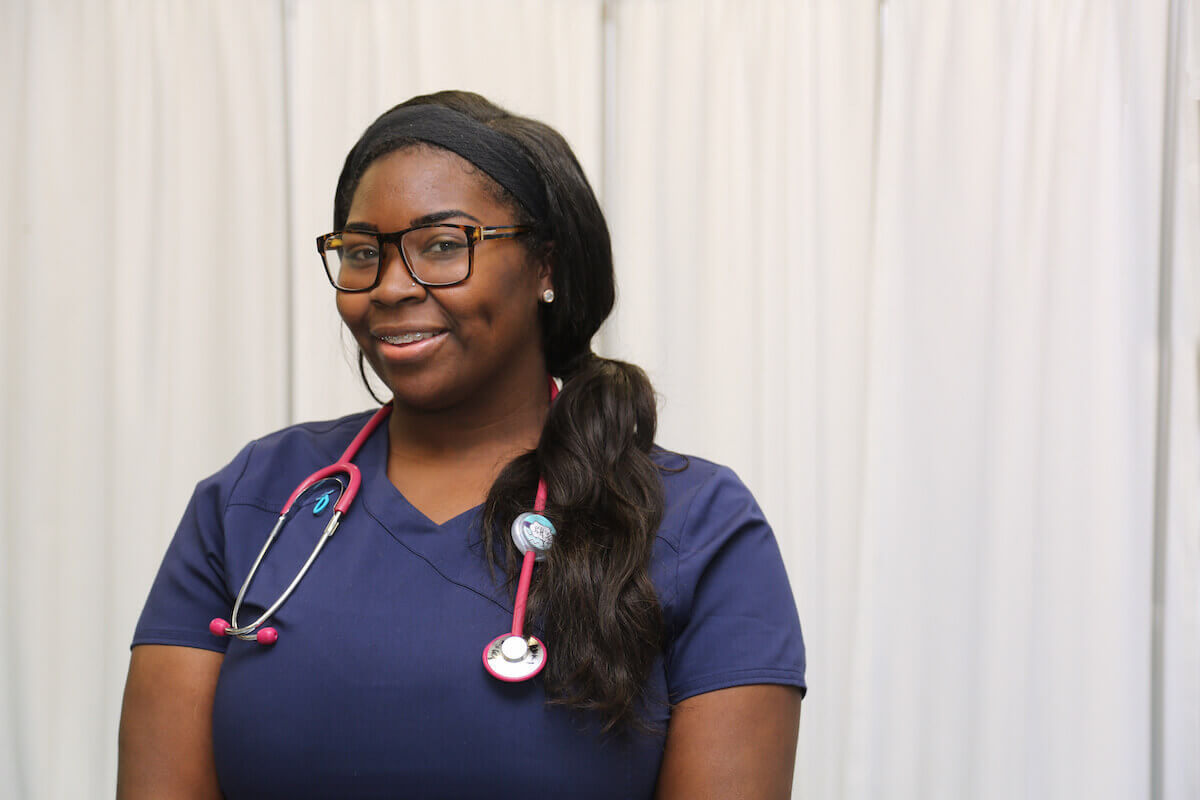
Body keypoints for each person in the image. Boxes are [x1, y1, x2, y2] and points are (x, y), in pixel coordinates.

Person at [117, 90, 805, 799]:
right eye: (362, 253)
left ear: (547, 267)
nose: (386, 287)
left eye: (442, 246)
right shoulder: (252, 500)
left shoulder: (697, 524)